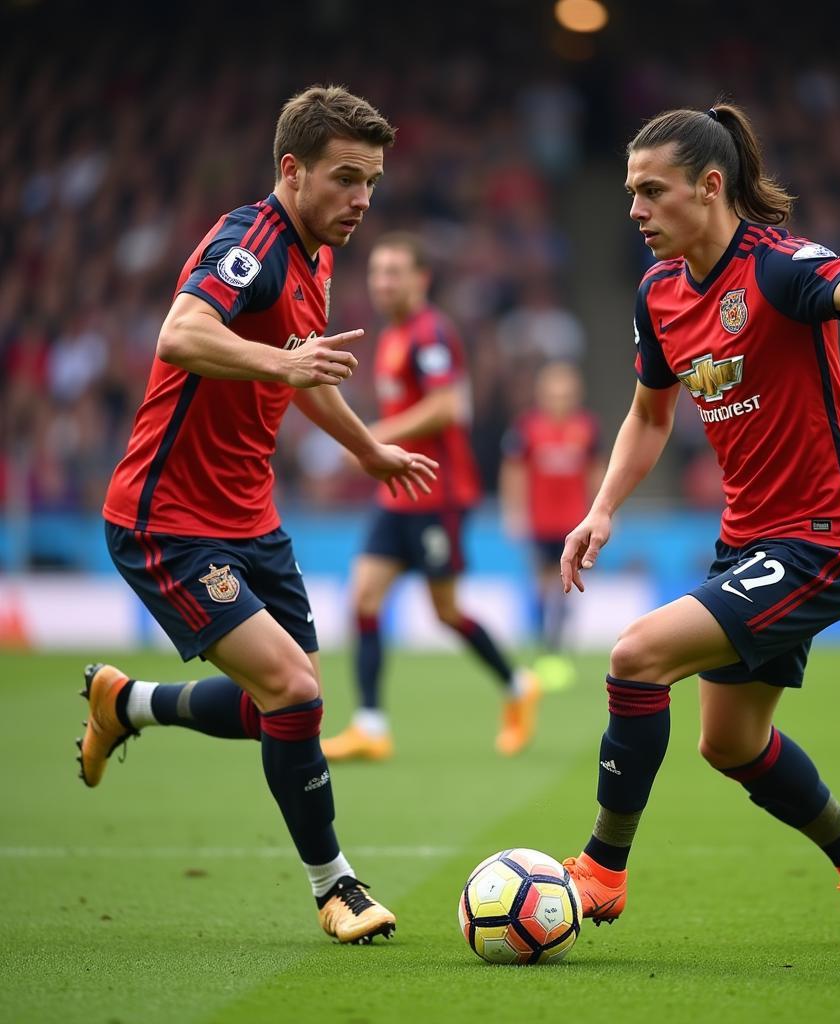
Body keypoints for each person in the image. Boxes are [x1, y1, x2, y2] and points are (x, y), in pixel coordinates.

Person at [558, 103, 840, 947]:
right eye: (628, 192)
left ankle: (602, 869)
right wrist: (600, 510)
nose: (634, 210)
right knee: (731, 744)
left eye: (651, 191)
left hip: (828, 536)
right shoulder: (658, 293)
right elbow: (649, 417)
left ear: (710, 187)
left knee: (635, 656)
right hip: (750, 540)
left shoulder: (777, 270)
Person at [77, 85, 438, 946]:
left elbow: (300, 372)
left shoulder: (318, 254)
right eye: (346, 178)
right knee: (296, 689)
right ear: (292, 169)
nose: (362, 200)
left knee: (287, 707)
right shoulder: (252, 242)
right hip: (166, 517)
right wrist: (282, 367)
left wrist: (367, 447)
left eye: (373, 182)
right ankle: (336, 887)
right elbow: (182, 334)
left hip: (249, 518)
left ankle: (125, 706)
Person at [320, 232, 540, 762]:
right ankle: (371, 726)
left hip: (437, 493)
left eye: (395, 272)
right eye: (377, 272)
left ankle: (517, 684)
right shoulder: (392, 336)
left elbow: (448, 408)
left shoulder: (431, 333)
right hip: (397, 493)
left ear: (421, 279)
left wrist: (375, 438)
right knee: (364, 601)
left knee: (445, 612)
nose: (383, 282)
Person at [500, 360, 602, 686]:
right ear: (542, 394)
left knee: (568, 584)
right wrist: (514, 512)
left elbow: (596, 472)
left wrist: (604, 510)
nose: (559, 398)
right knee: (544, 584)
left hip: (575, 523)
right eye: (553, 392)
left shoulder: (587, 427)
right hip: (541, 521)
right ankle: (547, 649)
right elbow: (513, 471)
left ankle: (556, 650)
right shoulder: (527, 428)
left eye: (565, 392)